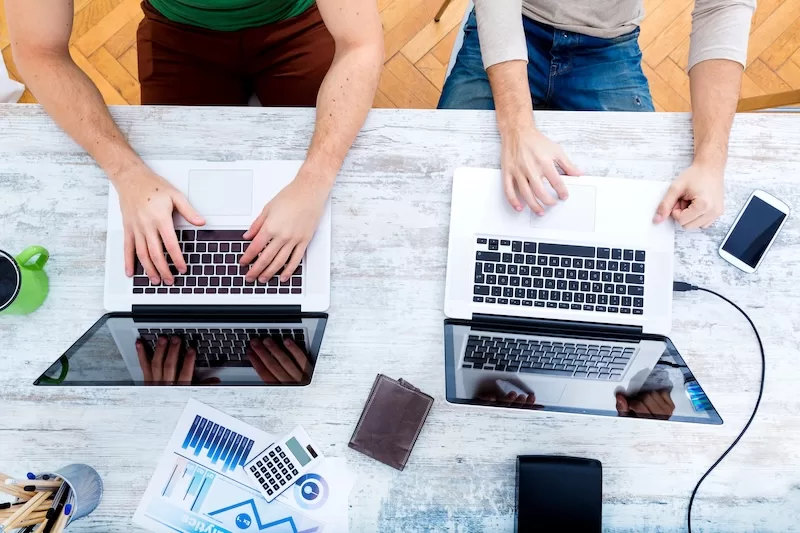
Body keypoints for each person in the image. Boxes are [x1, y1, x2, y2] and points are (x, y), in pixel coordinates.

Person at [6, 0, 383, 286]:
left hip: (297, 22)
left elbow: (359, 44)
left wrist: (316, 178)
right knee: (176, 222)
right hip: (178, 33)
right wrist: (125, 170)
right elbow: (39, 50)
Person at [439, 0, 755, 230]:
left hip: (607, 44)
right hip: (515, 15)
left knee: (640, 214)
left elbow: (723, 6)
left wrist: (710, 163)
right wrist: (516, 126)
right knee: (441, 185)